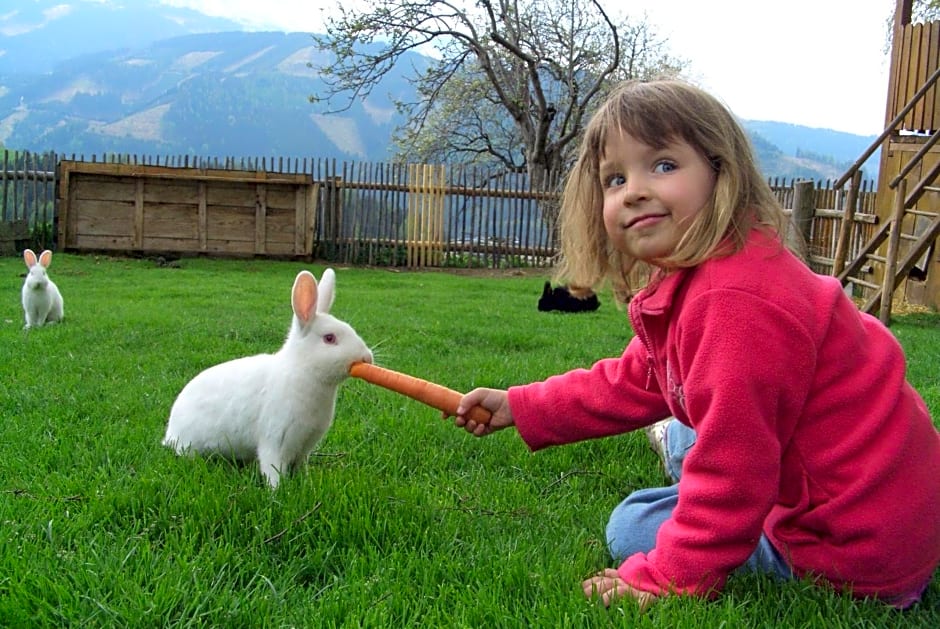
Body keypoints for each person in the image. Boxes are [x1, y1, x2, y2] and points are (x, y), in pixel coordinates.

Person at [450, 79, 940, 610]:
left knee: (632, 525)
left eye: (663, 165)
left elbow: (736, 469)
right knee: (690, 418)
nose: (634, 190)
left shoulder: (734, 303)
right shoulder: (721, 267)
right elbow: (639, 378)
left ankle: (686, 462)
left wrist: (668, 577)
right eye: (615, 178)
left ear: (720, 171)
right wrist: (522, 406)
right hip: (889, 509)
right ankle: (682, 448)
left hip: (849, 549)